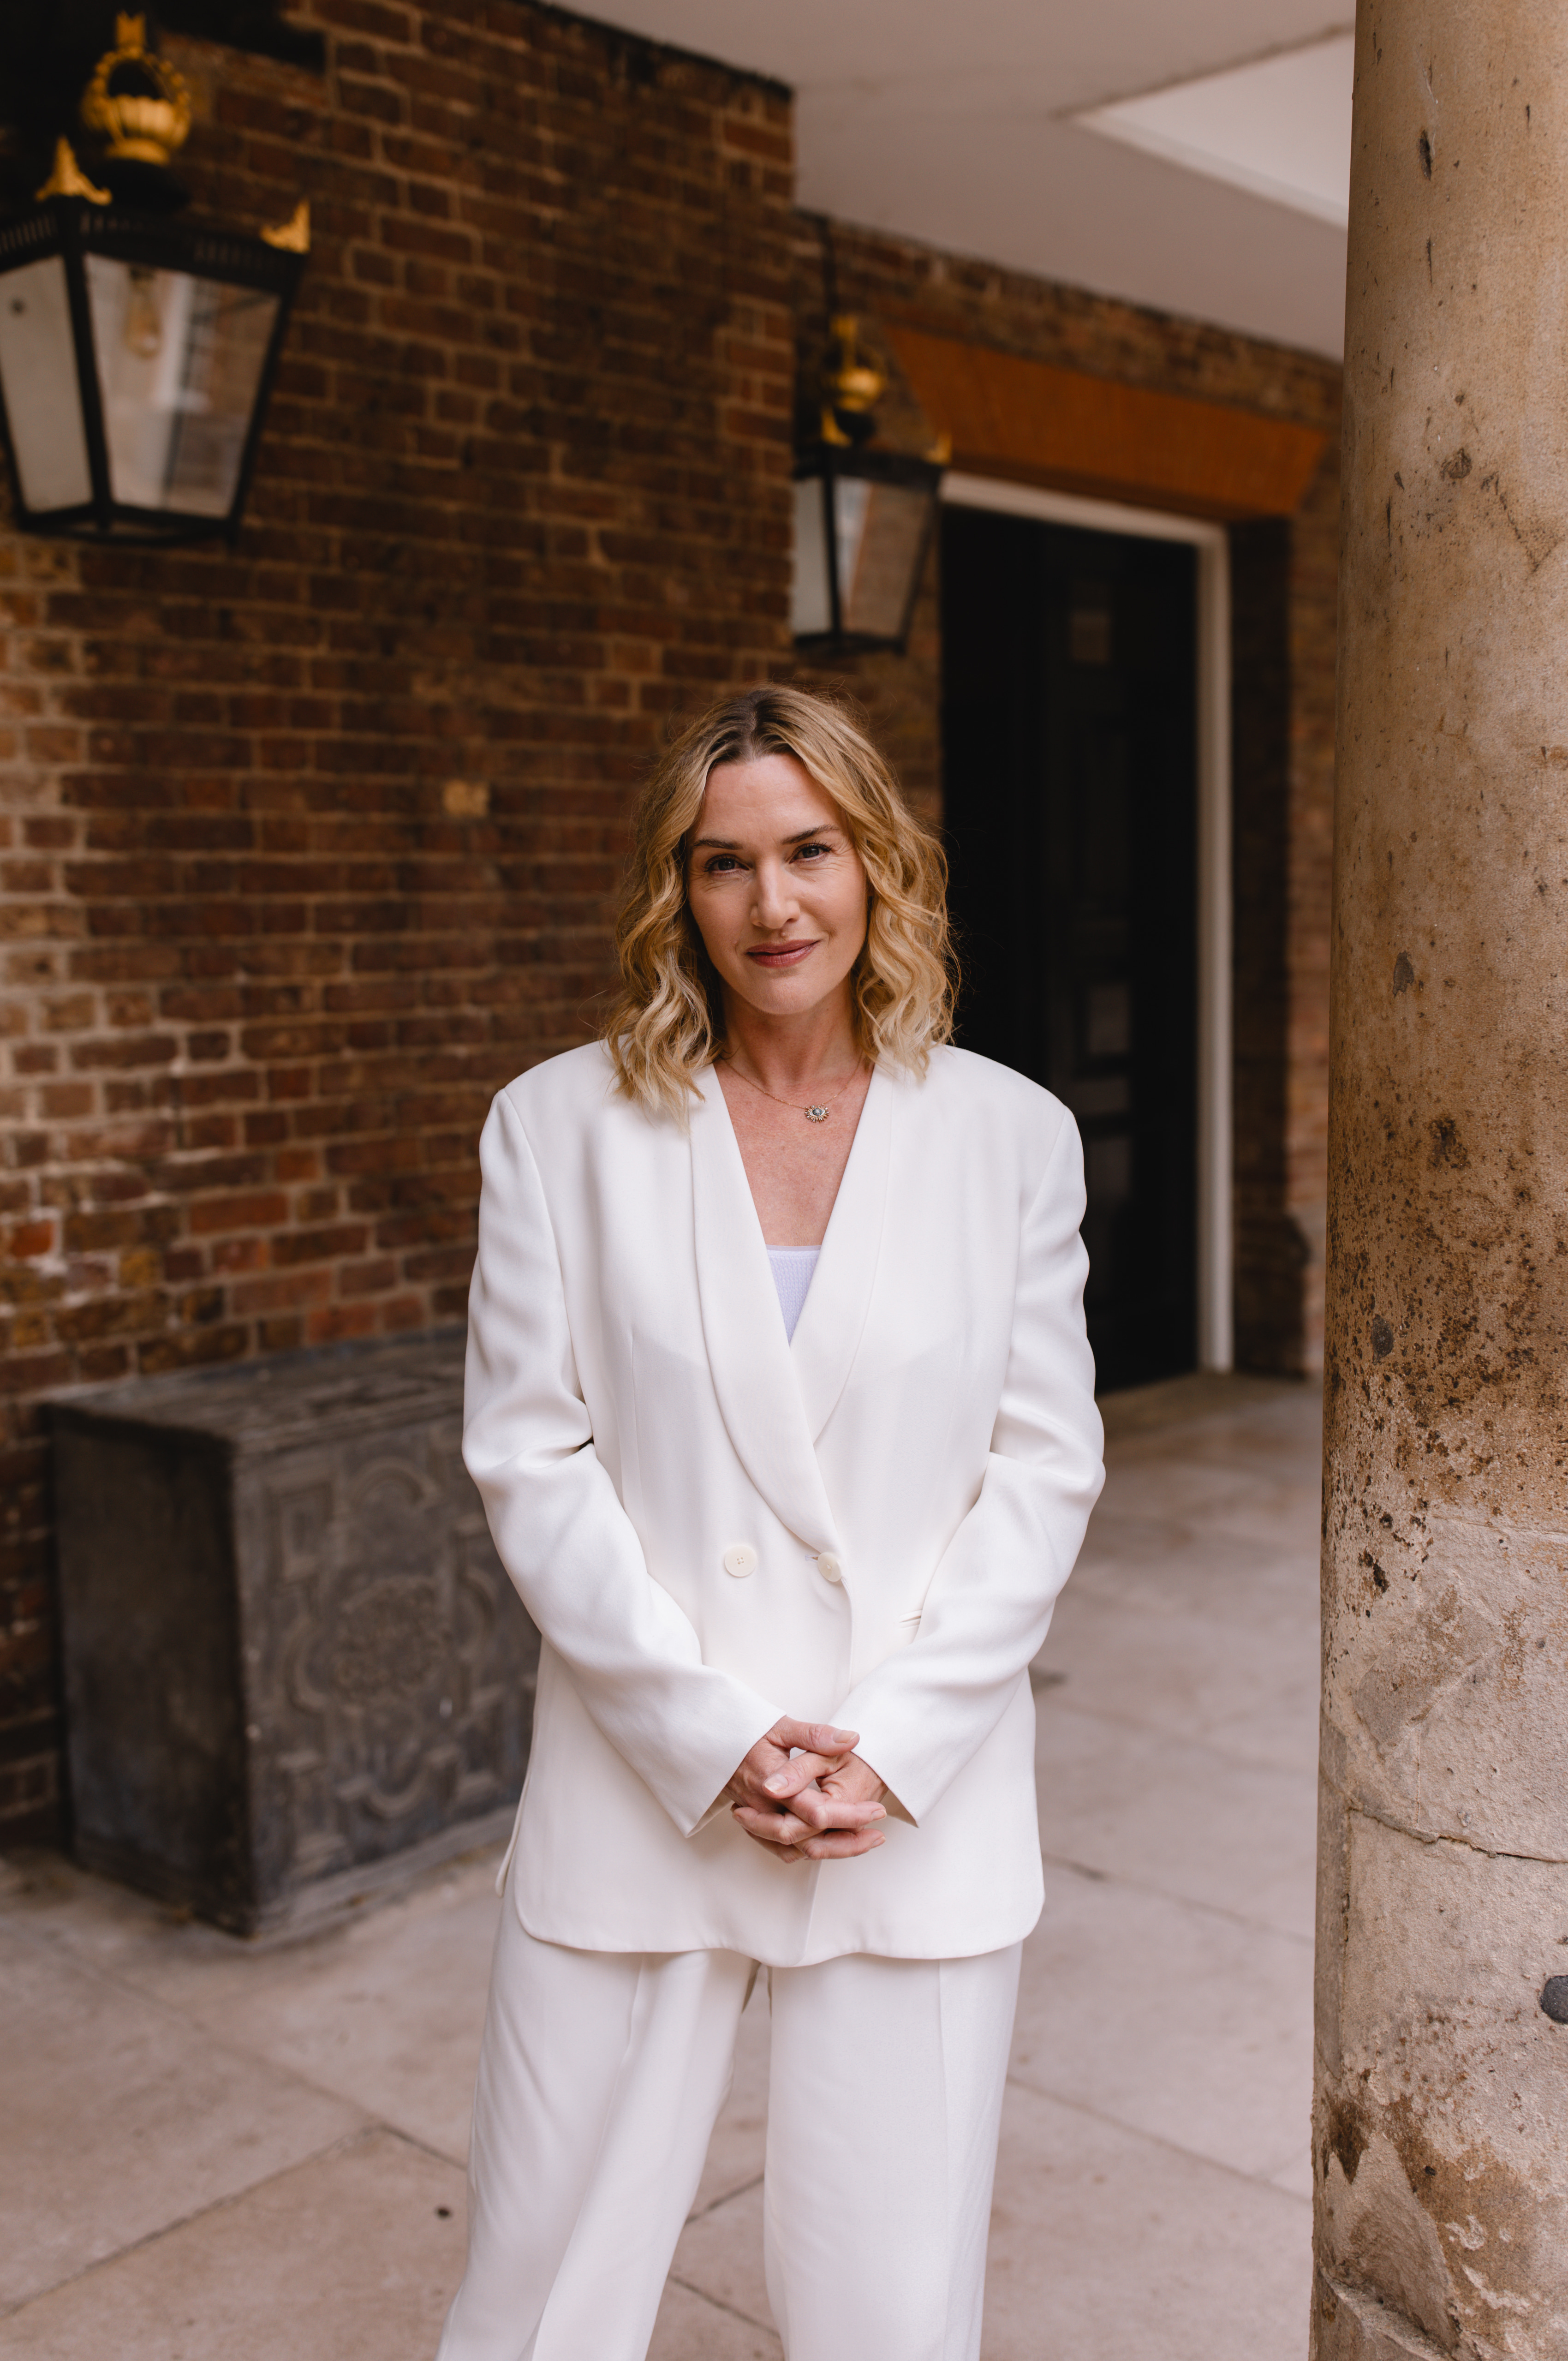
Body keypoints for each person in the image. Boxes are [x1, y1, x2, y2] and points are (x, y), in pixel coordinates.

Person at [436, 684, 1104, 2361]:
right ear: (677, 889)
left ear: (877, 863)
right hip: (645, 1784)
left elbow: (1041, 1470)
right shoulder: (557, 1127)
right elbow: (531, 1454)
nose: (772, 904)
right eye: (722, 862)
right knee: (539, 2291)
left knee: (890, 2309)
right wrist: (714, 1734)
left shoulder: (1012, 1136)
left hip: (909, 1799)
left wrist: (893, 1746)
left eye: (810, 851)